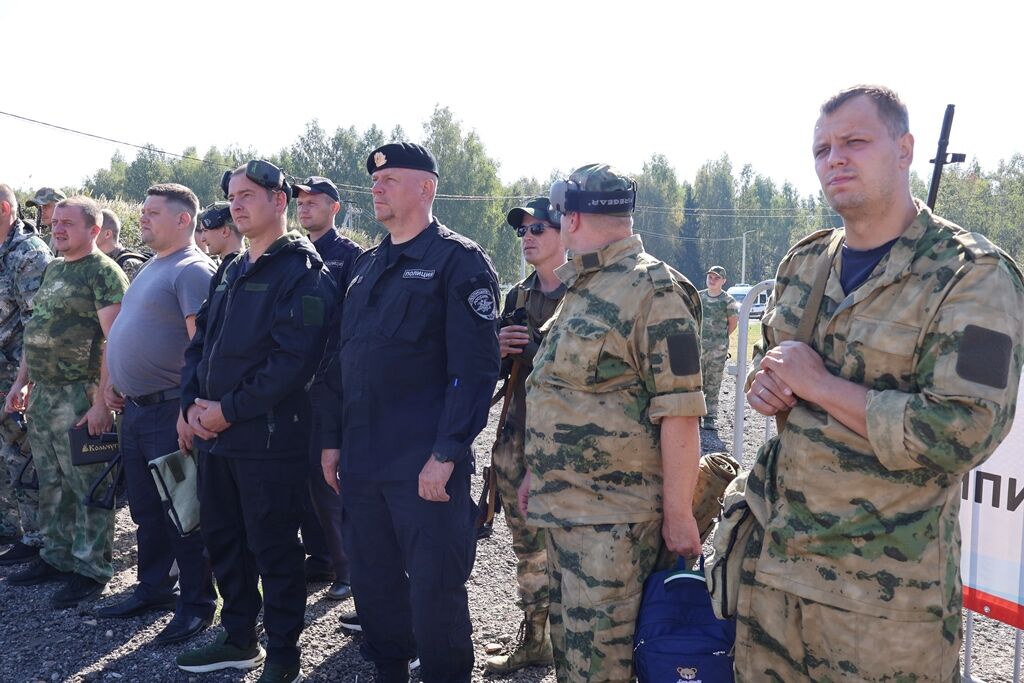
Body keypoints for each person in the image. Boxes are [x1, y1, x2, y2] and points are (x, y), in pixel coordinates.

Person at [738, 85, 1024, 682]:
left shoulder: (972, 276)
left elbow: (963, 432)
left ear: (904, 149)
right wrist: (766, 387)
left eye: (855, 141)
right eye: (822, 149)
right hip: (776, 586)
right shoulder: (804, 263)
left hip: (885, 611)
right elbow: (776, 369)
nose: (834, 159)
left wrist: (820, 386)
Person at [320, 142, 499, 683]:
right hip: (363, 462)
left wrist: (446, 454)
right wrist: (331, 440)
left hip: (423, 467)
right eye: (375, 181)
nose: (376, 188)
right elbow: (341, 360)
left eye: (389, 179)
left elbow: (474, 370)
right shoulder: (367, 265)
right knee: (373, 585)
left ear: (426, 188)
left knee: (434, 592)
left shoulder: (457, 261)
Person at [518, 163, 705, 682]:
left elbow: (681, 411)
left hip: (614, 528)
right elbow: (563, 395)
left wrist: (679, 515)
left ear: (572, 217)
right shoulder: (586, 284)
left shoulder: (655, 290)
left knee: (604, 668)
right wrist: (537, 472)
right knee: (574, 661)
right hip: (566, 514)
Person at [175, 160, 336, 683]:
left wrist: (227, 410)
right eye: (232, 197)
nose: (236, 205)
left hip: (267, 441)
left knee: (274, 547)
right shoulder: (230, 269)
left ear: (279, 201)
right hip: (214, 438)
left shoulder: (302, 272)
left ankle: (284, 652)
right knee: (223, 539)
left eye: (247, 195)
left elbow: (292, 363)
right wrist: (189, 405)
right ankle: (239, 637)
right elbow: (200, 344)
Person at [96, 183, 217, 645]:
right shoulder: (153, 265)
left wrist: (189, 408)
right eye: (143, 211)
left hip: (169, 411)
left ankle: (197, 604)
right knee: (147, 510)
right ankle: (153, 588)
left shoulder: (191, 270)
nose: (142, 218)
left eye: (153, 212)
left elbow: (202, 347)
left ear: (184, 219)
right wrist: (114, 380)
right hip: (138, 410)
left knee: (184, 513)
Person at [4, 196, 127, 608]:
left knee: (89, 484)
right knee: (51, 480)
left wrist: (102, 403)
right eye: (55, 222)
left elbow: (114, 340)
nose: (57, 228)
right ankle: (57, 557)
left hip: (81, 394)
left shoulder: (103, 272)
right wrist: (22, 383)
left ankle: (91, 569)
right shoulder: (54, 268)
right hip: (44, 394)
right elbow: (36, 331)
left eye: (67, 223)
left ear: (94, 230)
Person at [483, 196, 565, 674]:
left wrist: (536, 351)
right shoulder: (517, 296)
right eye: (523, 231)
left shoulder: (585, 293)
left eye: (538, 229)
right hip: (518, 440)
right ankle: (536, 639)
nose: (528, 238)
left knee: (571, 549)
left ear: (566, 232)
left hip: (568, 445)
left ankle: (575, 647)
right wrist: (498, 350)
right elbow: (495, 372)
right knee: (528, 547)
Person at [292, 176, 361, 601]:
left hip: (328, 381)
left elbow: (350, 324)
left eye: (313, 201)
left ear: (334, 208)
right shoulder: (292, 253)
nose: (304, 208)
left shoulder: (350, 256)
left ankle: (347, 567)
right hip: (290, 384)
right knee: (301, 476)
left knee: (327, 477)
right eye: (300, 202)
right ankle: (319, 558)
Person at [0, 183, 52, 566]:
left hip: (17, 373)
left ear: (4, 210)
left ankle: (36, 537)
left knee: (23, 452)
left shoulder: (29, 254)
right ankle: (8, 525)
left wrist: (23, 381)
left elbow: (37, 324)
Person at [698, 265, 738, 430]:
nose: (712, 280)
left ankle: (709, 417)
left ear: (723, 281)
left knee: (713, 383)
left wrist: (719, 340)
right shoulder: (698, 297)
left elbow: (733, 324)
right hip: (698, 348)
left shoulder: (728, 301)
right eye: (710, 277)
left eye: (716, 278)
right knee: (697, 381)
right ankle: (695, 414)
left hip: (717, 350)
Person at [97, 209, 148, 282]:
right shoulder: (95, 259)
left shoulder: (129, 264)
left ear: (107, 234)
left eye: (95, 230)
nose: (89, 233)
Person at [196, 201, 243, 274]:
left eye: (205, 231)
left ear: (225, 231)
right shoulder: (243, 266)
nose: (202, 239)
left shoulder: (234, 272)